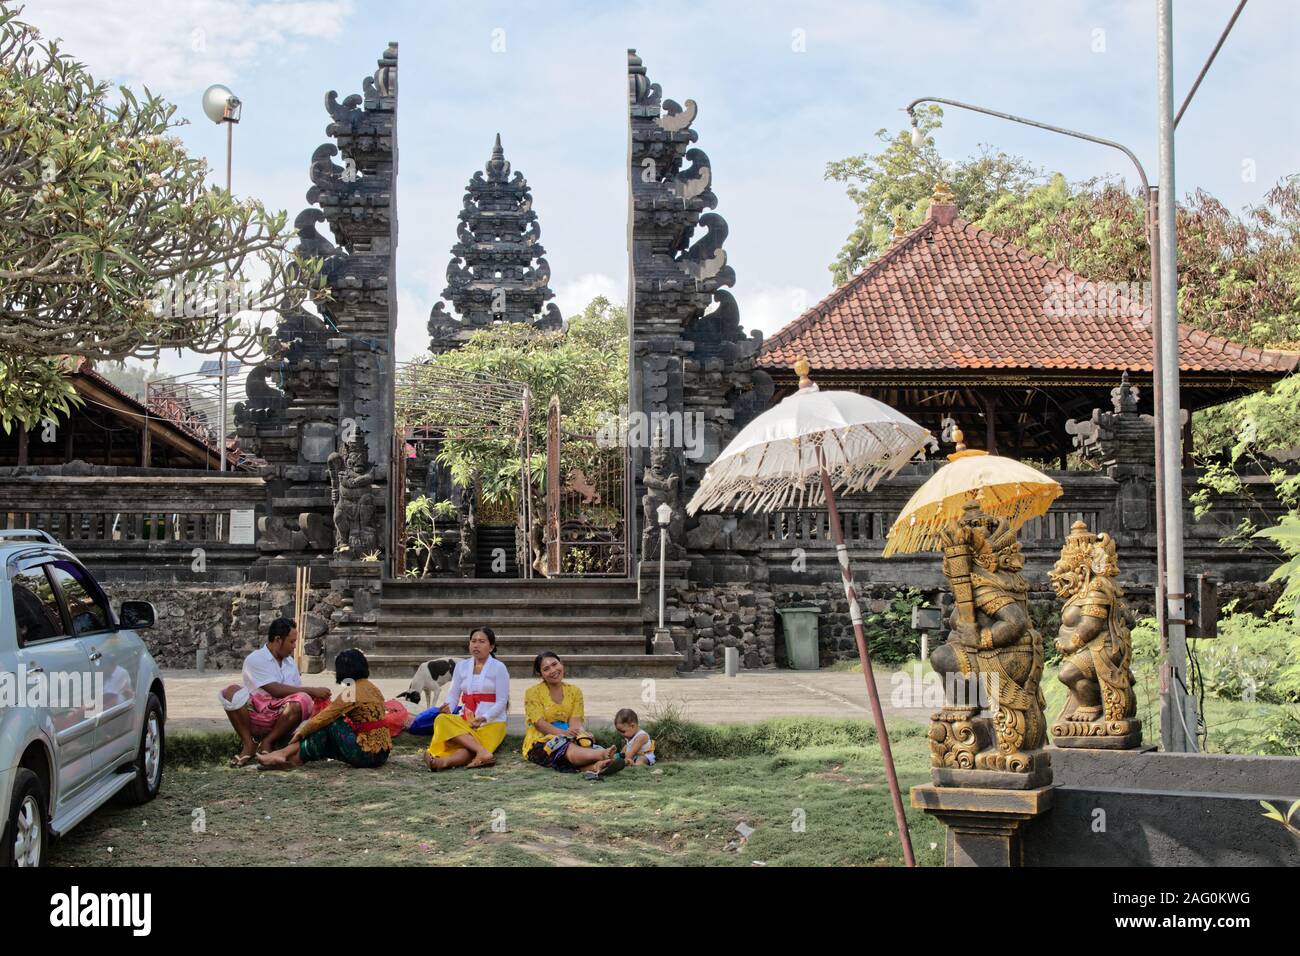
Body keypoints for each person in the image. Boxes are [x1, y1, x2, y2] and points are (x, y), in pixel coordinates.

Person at [219, 618, 332, 767]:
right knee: (230, 692)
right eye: (291, 642)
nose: (294, 647)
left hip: (280, 719)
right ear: (278, 640)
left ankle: (268, 741)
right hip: (255, 716)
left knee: (303, 700)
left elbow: (295, 696)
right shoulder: (256, 659)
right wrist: (312, 690)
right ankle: (248, 744)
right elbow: (275, 690)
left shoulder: (290, 663)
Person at [256, 650, 392, 770]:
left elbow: (325, 717)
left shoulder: (352, 691)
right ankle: (292, 760)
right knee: (323, 737)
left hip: (367, 754)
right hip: (382, 754)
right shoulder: (374, 689)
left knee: (329, 723)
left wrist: (300, 733)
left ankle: (283, 753)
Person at [423, 627, 510, 770]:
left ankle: (443, 762)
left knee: (469, 747)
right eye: (473, 641)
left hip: (492, 723)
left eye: (482, 641)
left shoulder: (499, 668)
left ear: (491, 647)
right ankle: (482, 753)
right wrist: (448, 708)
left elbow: (502, 701)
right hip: (466, 720)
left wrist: (484, 718)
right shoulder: (461, 667)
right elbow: (453, 695)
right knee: (441, 719)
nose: (476, 645)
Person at [522, 651, 621, 775]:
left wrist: (575, 734)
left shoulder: (575, 691)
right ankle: (602, 755)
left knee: (583, 742)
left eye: (555, 664)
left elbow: (575, 722)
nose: (553, 670)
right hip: (540, 741)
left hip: (568, 736)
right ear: (540, 674)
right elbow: (539, 724)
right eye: (546, 669)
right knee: (564, 746)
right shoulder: (532, 692)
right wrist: (563, 734)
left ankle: (596, 766)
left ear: (561, 664)